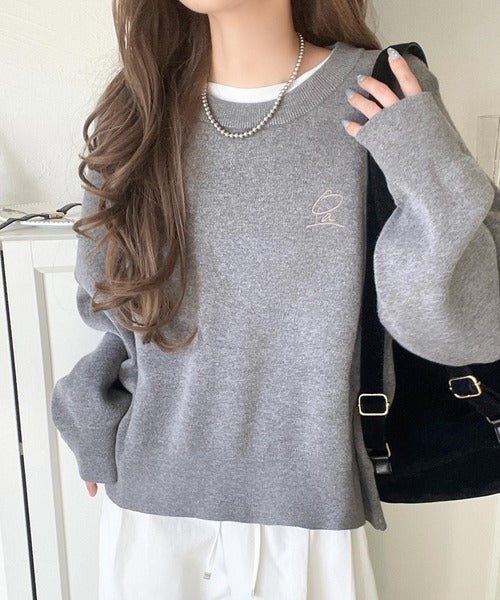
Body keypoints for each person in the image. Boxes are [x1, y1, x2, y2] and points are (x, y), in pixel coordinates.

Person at [50, 0, 500, 598]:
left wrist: (429, 168)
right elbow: (110, 303)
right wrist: (89, 405)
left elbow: (467, 326)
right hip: (151, 509)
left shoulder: (382, 89)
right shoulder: (138, 106)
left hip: (309, 517)